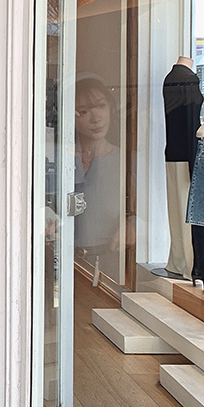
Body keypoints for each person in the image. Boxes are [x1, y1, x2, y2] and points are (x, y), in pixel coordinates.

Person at [73, 76, 124, 281]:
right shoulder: (60, 159)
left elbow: (146, 210)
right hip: (62, 259)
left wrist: (132, 225)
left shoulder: (125, 161)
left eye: (101, 106)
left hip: (109, 264)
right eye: (84, 111)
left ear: (111, 108)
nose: (96, 118)